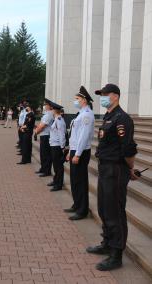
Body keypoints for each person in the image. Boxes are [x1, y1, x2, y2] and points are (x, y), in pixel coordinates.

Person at [86, 84, 137, 271]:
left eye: (105, 95)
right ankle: (107, 242)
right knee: (104, 208)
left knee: (114, 211)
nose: (102, 98)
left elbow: (128, 148)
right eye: (101, 95)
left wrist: (130, 168)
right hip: (105, 167)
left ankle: (116, 254)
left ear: (115, 96)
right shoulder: (109, 116)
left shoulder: (122, 118)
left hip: (116, 169)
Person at [65, 86, 95, 221]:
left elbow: (83, 136)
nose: (75, 101)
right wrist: (70, 152)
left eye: (77, 99)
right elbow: (74, 136)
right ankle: (77, 204)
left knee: (80, 181)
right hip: (75, 150)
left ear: (84, 100)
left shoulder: (87, 115)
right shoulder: (81, 113)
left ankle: (82, 210)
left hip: (81, 152)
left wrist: (77, 154)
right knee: (74, 180)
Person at [47, 101, 66, 191]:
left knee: (58, 166)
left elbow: (62, 135)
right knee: (55, 165)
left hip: (57, 146)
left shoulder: (59, 120)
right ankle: (56, 181)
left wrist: (62, 147)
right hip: (54, 145)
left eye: (52, 109)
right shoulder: (56, 120)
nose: (51, 111)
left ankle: (59, 184)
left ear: (54, 110)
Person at [34, 99, 54, 177]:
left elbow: (42, 126)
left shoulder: (49, 114)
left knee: (46, 154)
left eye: (45, 105)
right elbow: (40, 124)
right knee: (43, 154)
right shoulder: (46, 114)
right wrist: (37, 130)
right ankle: (43, 168)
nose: (44, 106)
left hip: (46, 136)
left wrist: (36, 132)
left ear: (49, 106)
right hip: (43, 135)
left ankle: (46, 170)